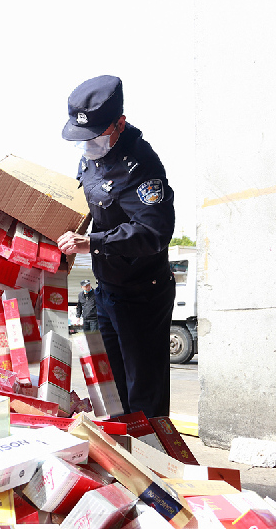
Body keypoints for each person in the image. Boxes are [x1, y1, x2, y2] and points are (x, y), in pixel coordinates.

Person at [57, 75, 175, 418]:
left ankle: (154, 466)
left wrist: (91, 242)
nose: (87, 144)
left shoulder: (140, 165)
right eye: (83, 138)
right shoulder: (91, 159)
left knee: (144, 394)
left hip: (142, 294)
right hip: (108, 291)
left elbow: (154, 232)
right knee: (113, 394)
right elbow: (86, 208)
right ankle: (125, 465)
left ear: (119, 123)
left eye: (95, 135)